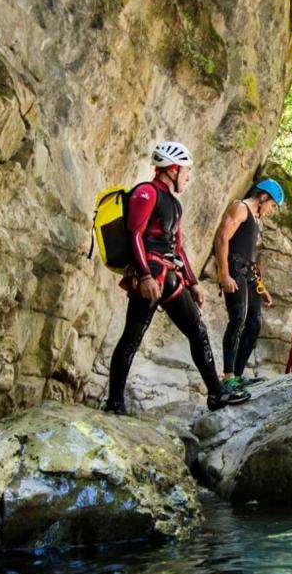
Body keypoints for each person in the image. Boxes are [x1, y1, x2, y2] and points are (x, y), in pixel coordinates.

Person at [105, 141, 250, 414]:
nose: (188, 176)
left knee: (198, 330)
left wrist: (193, 282)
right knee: (131, 338)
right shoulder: (146, 193)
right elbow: (135, 233)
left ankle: (217, 394)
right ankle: (114, 403)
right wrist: (146, 275)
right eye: (186, 170)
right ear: (172, 169)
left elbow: (178, 248)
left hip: (169, 278)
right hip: (148, 279)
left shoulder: (174, 204)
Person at [214, 178, 284, 393]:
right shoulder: (241, 208)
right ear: (263, 197)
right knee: (238, 318)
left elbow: (250, 257)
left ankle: (238, 374)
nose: (272, 211)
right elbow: (222, 239)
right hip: (234, 270)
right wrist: (224, 274)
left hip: (248, 274)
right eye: (272, 205)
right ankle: (228, 377)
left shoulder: (255, 217)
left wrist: (261, 288)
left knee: (254, 323)